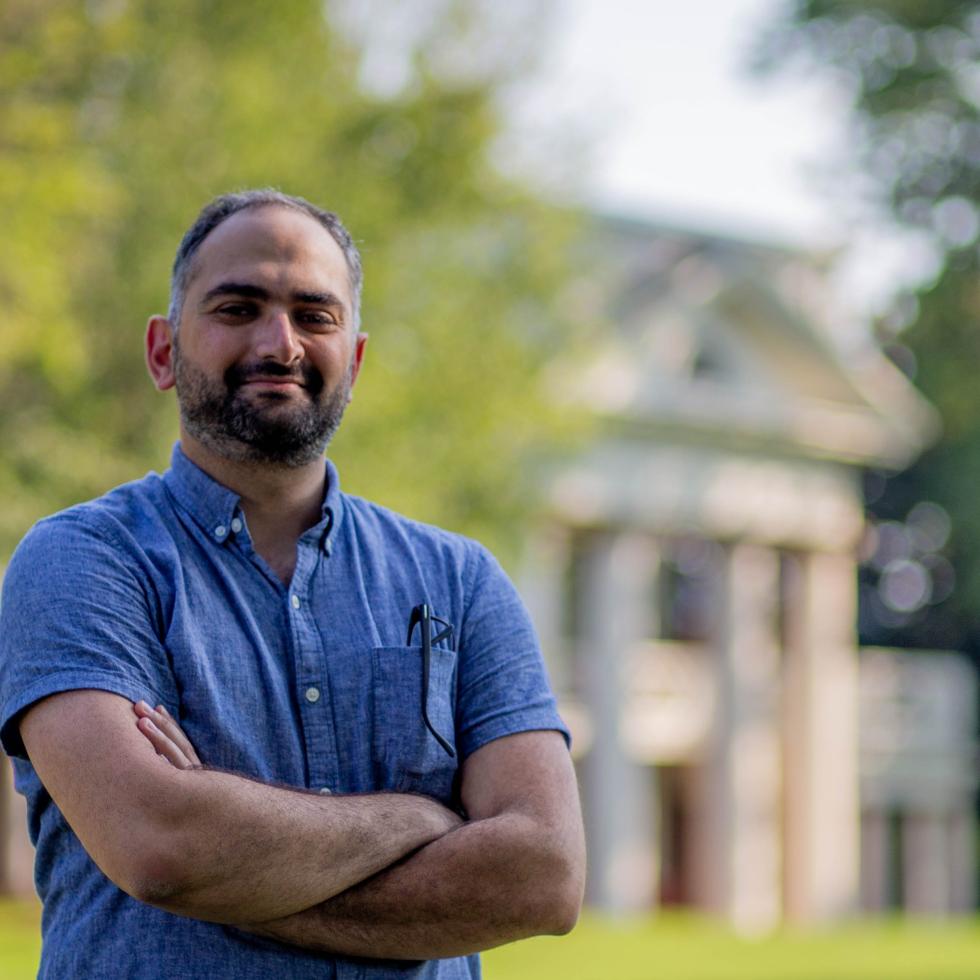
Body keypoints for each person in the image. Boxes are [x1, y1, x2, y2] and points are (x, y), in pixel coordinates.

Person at [0, 189, 585, 979]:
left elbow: (544, 877)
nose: (281, 344)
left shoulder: (461, 581)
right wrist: (421, 818)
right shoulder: (82, 562)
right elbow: (163, 848)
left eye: (315, 316)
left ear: (357, 357)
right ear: (163, 352)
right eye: (238, 308)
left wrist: (234, 863)